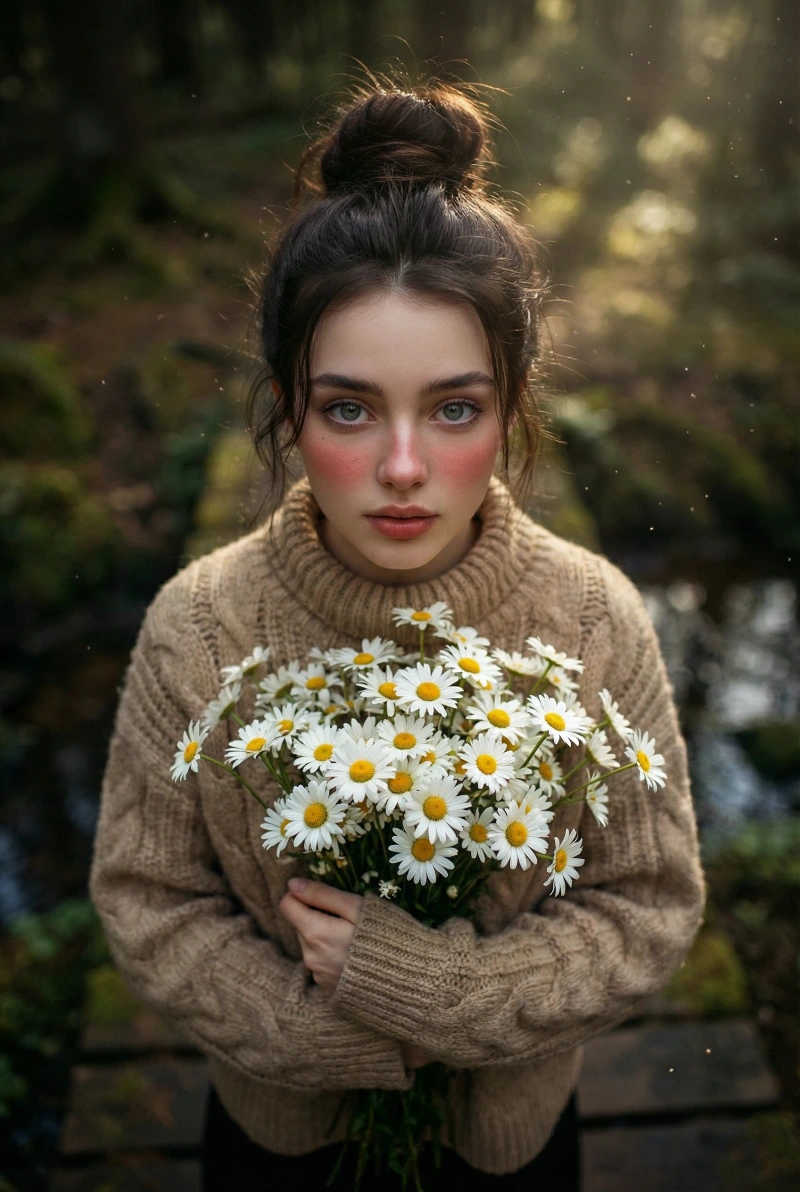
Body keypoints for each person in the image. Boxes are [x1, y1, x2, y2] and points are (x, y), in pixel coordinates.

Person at [89, 76, 706, 1192]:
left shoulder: (592, 616)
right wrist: (326, 1036)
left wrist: (444, 997)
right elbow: (147, 900)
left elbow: (647, 902)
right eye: (349, 407)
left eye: (454, 407)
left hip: (508, 1148)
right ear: (286, 405)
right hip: (283, 1143)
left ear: (514, 405)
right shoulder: (199, 625)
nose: (405, 467)